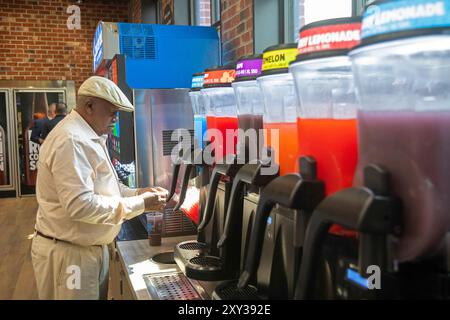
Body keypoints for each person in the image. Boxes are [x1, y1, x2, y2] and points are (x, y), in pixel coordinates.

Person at [31, 76, 169, 300]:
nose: (115, 119)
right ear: (89, 106)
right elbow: (80, 206)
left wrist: (137, 193)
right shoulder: (71, 140)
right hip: (70, 255)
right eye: (111, 111)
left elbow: (107, 188)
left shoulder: (89, 135)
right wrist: (141, 204)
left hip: (89, 249)